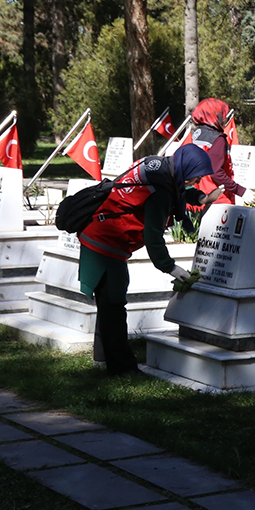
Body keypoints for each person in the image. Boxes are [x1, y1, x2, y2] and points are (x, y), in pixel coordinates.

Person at [77, 146, 222, 375]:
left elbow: (177, 191)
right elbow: (152, 237)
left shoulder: (160, 167)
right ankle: (122, 369)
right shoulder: (160, 191)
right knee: (113, 304)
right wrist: (171, 268)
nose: (197, 180)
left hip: (98, 233)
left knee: (107, 302)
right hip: (105, 243)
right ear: (186, 168)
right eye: (196, 175)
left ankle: (104, 358)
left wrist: (201, 197)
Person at [189, 98, 246, 205]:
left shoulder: (195, 135)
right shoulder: (217, 139)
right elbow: (216, 172)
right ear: (214, 115)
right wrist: (241, 191)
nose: (224, 118)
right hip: (215, 197)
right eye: (221, 115)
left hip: (196, 195)